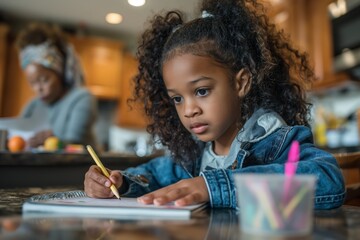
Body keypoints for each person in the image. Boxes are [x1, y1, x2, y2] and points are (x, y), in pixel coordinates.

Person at [84, 0, 345, 209]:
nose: (188, 110)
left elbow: (328, 179)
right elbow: (154, 174)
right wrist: (118, 181)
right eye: (177, 98)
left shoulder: (271, 140)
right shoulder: (195, 152)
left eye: (201, 90)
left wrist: (211, 186)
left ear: (241, 83)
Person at [16, 23, 98, 148]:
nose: (38, 89)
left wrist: (53, 140)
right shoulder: (32, 106)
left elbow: (75, 143)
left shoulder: (81, 98)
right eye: (32, 83)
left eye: (44, 80)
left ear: (60, 73)